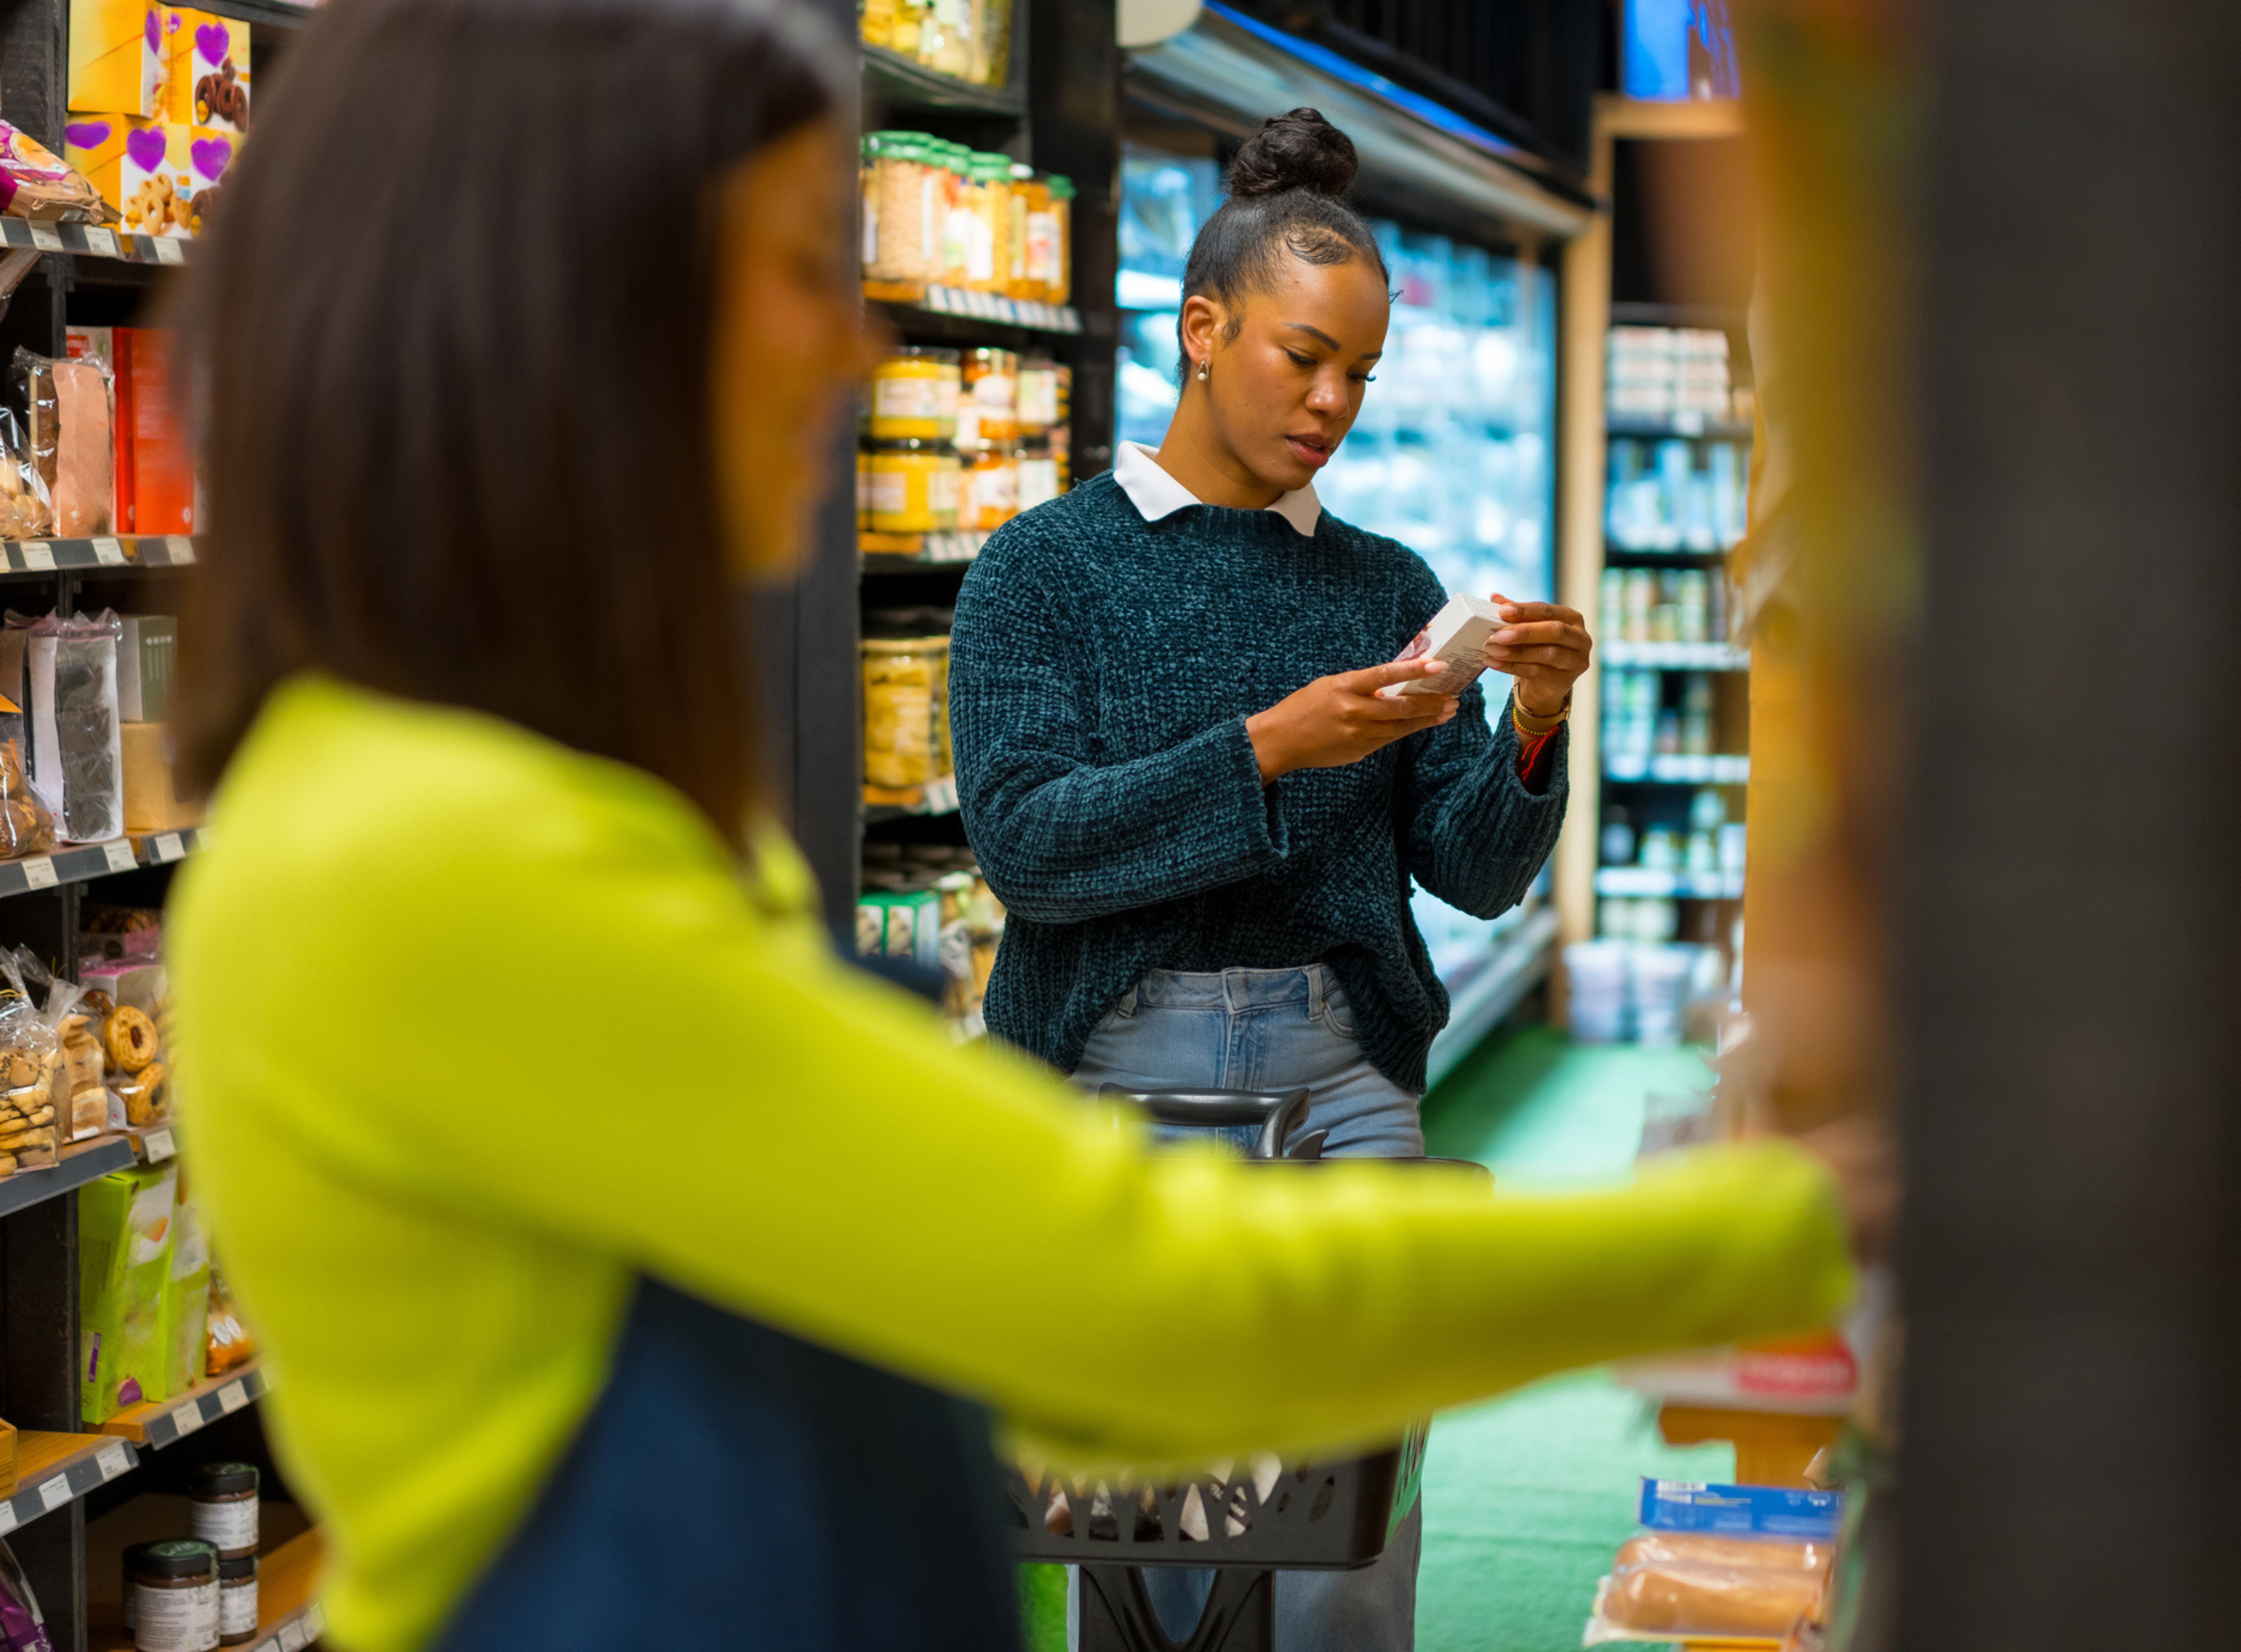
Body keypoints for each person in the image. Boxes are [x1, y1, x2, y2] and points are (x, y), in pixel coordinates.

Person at [170, 6, 1862, 1650]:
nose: (862, 351)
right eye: (796, 268)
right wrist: (1782, 1224)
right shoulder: (443, 860)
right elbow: (1133, 1294)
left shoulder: (521, 793)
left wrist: (1529, 726)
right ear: (561, 303)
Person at [947, 109, 1590, 1647]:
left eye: (1361, 376)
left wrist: (1535, 721)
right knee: (1153, 1529)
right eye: (1305, 358)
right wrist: (1268, 752)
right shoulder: (1039, 572)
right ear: (1200, 326)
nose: (1333, 404)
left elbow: (1480, 873)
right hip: (1115, 1071)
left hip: (1342, 1072)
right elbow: (1029, 845)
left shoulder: (1387, 586)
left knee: (1347, 1529)